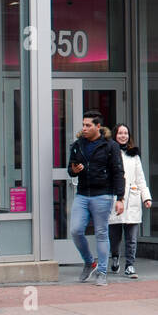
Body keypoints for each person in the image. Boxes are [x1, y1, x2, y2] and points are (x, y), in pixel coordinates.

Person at [68, 110, 124, 286]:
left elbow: (118, 172)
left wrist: (120, 197)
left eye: (88, 125)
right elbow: (70, 168)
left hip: (103, 195)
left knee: (101, 232)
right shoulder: (78, 145)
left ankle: (101, 271)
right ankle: (89, 261)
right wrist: (73, 171)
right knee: (76, 230)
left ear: (98, 127)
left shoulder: (110, 146)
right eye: (83, 125)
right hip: (83, 194)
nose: (84, 128)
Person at [109, 123, 152, 279]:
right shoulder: (110, 153)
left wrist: (146, 197)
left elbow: (140, 179)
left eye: (125, 133)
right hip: (116, 199)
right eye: (120, 133)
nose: (123, 136)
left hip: (132, 199)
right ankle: (114, 257)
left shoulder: (134, 156)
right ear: (115, 135)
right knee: (114, 236)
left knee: (131, 238)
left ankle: (130, 265)